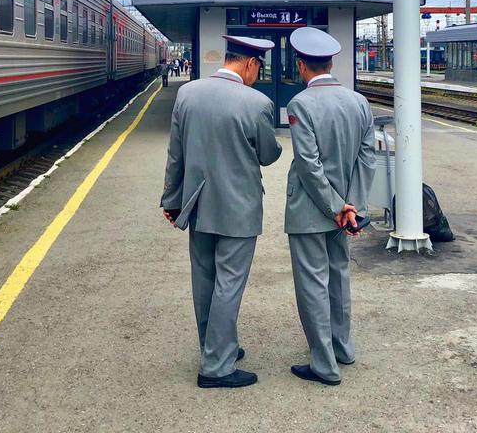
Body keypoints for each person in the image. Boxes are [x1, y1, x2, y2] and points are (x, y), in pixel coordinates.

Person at [161, 36, 283, 389]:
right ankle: (217, 367)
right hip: (238, 208)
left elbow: (176, 154)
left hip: (197, 204)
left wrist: (171, 200)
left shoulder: (188, 93)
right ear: (250, 64)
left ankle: (213, 347)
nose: (258, 76)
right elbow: (267, 154)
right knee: (229, 284)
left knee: (205, 280)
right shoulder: (257, 103)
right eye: (259, 69)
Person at [284, 27, 376, 386]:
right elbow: (366, 158)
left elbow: (308, 165)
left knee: (312, 283)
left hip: (311, 210)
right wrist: (353, 205)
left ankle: (323, 363)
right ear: (331, 62)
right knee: (339, 276)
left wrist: (336, 206)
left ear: (301, 65)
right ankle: (343, 347)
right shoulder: (359, 102)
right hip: (346, 212)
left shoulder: (300, 105)